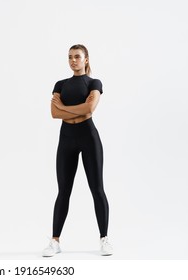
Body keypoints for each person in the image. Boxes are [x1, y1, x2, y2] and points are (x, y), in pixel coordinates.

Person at [42, 44, 113, 257]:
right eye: (70, 57)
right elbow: (54, 113)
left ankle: (104, 239)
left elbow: (89, 108)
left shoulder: (94, 82)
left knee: (97, 189)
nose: (73, 60)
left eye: (77, 57)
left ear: (86, 59)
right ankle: (55, 241)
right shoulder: (60, 84)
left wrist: (64, 107)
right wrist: (71, 109)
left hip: (88, 138)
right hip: (66, 139)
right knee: (63, 191)